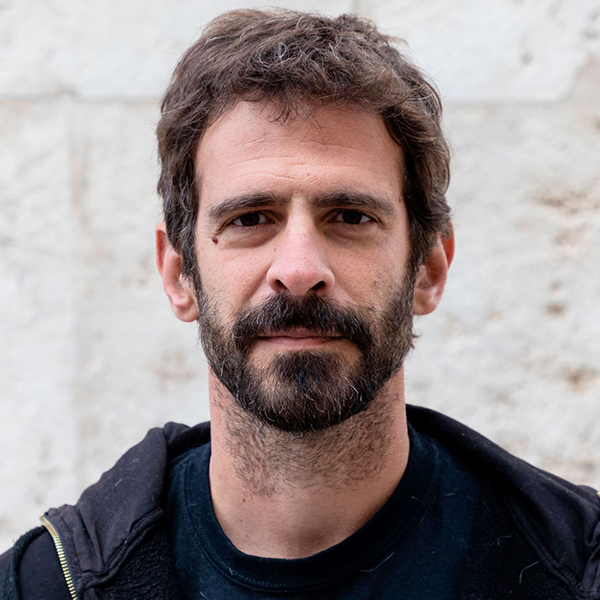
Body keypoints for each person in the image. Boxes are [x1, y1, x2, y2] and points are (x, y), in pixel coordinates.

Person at [1, 8, 599, 600]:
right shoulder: (43, 586)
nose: (299, 270)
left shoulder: (578, 570)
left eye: (350, 217)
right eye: (250, 218)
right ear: (180, 273)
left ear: (428, 268)